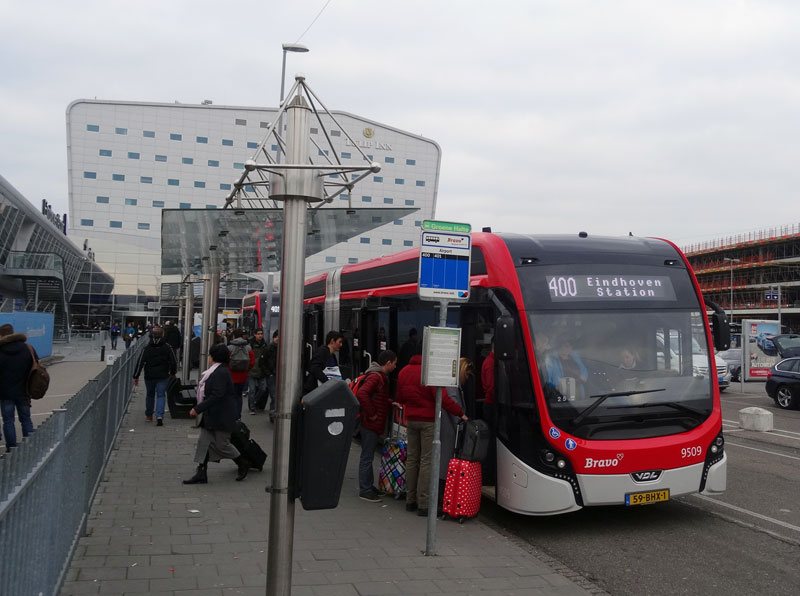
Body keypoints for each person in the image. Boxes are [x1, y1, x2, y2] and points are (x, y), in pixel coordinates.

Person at [397, 350, 467, 516]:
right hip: (428, 421)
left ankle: (410, 500)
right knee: (427, 461)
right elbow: (442, 399)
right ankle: (424, 503)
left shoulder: (404, 371)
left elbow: (400, 396)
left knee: (413, 458)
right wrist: (460, 413)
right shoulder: (429, 373)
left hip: (411, 419)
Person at [183, 343, 251, 484]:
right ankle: (201, 472)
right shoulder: (217, 370)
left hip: (221, 415)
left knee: (222, 444)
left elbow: (217, 395)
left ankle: (242, 462)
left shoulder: (220, 373)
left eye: (210, 355)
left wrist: (198, 408)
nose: (208, 357)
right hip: (212, 415)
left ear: (213, 357)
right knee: (203, 443)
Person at [354, 350, 398, 503]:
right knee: (367, 456)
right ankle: (365, 489)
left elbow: (376, 396)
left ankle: (368, 486)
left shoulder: (378, 376)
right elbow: (363, 394)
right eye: (394, 363)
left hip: (371, 422)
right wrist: (372, 413)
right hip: (370, 422)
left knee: (369, 455)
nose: (395, 366)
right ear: (388, 363)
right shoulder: (376, 377)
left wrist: (389, 402)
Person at [0, 324, 36, 451]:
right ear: (13, 332)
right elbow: (35, 366)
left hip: (5, 393)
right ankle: (30, 447)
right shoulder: (28, 348)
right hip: (24, 391)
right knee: (26, 419)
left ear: (1, 335)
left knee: (8, 421)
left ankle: (11, 449)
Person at [132, 327, 178, 426]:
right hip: (163, 375)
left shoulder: (147, 348)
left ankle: (149, 415)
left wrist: (136, 376)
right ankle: (159, 415)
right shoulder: (167, 347)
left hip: (149, 375)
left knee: (150, 395)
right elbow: (173, 361)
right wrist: (173, 373)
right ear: (162, 335)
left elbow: (140, 362)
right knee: (161, 395)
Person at [545, 336, 588, 401]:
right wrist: (554, 387)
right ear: (559, 347)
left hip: (577, 389)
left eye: (571, 346)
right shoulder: (552, 360)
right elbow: (547, 377)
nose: (570, 348)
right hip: (560, 392)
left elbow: (584, 370)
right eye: (566, 346)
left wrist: (583, 377)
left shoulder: (575, 358)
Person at [227, 328, 254, 419]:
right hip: (243, 376)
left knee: (231, 396)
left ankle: (231, 415)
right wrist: (246, 370)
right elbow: (252, 362)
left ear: (234, 336)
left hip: (231, 376)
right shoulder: (248, 347)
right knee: (239, 396)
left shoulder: (229, 348)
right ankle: (238, 416)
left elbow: (225, 361)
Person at [246, 328, 268, 415]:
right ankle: (252, 407)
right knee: (252, 390)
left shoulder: (264, 344)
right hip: (252, 369)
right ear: (255, 335)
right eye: (258, 334)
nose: (260, 335)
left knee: (263, 389)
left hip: (261, 370)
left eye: (261, 334)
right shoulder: (250, 344)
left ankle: (254, 402)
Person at [263, 330, 279, 420]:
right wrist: (268, 374)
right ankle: (273, 415)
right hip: (272, 375)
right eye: (276, 336)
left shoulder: (283, 348)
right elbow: (263, 362)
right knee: (274, 396)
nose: (278, 338)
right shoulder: (268, 348)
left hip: (278, 375)